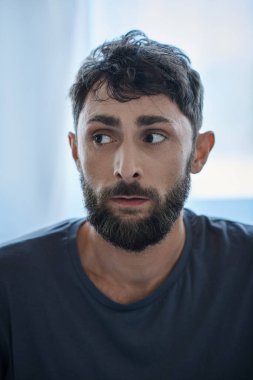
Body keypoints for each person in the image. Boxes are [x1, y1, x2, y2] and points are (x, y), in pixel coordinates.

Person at [0, 30, 252, 380]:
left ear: (198, 152)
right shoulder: (9, 285)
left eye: (153, 137)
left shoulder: (246, 271)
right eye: (101, 137)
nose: (125, 167)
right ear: (76, 152)